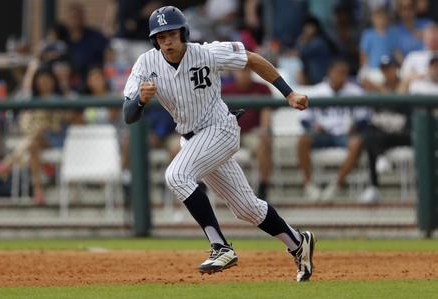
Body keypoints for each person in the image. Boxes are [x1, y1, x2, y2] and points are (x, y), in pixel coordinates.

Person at [123, 6, 315, 282]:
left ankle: (220, 246)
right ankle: (298, 242)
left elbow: (252, 60)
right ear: (154, 40)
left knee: (177, 175)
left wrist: (289, 92)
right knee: (248, 208)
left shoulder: (207, 52)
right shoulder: (145, 64)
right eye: (161, 36)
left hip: (220, 129)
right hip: (192, 139)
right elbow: (129, 115)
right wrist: (140, 100)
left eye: (172, 33)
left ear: (183, 33)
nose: (167, 40)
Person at [0, 67, 79, 204]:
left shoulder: (60, 99)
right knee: (33, 143)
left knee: (36, 136)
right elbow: (25, 124)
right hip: (34, 140)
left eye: (47, 80)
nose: (44, 83)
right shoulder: (31, 100)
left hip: (56, 140)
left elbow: (59, 125)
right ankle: (38, 190)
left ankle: (7, 164)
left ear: (53, 81)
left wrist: (45, 127)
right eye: (41, 80)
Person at [298, 59, 368, 203]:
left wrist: (355, 126)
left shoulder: (355, 91)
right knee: (302, 141)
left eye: (344, 73)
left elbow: (364, 118)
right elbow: (304, 119)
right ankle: (309, 185)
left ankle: (336, 185)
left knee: (357, 142)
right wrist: (313, 126)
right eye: (338, 72)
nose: (341, 76)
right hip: (322, 134)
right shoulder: (317, 91)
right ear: (330, 72)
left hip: (344, 134)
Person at [222, 68, 273, 200]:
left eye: (246, 70)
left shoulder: (262, 89)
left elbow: (266, 111)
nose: (243, 74)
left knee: (264, 143)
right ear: (234, 72)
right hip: (229, 133)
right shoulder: (225, 89)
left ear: (251, 71)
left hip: (253, 133)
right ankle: (213, 189)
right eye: (239, 71)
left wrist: (264, 129)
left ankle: (263, 187)